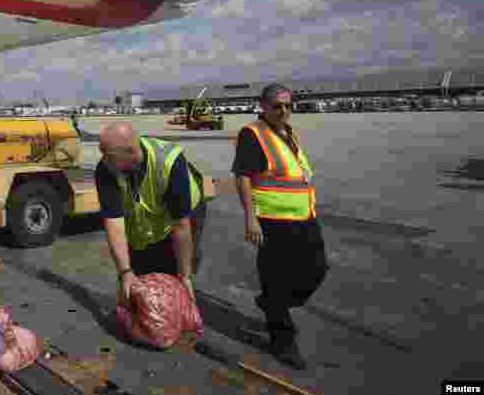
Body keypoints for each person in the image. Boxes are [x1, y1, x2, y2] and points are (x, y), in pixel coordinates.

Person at [232, 83, 328, 370]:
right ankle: (282, 341)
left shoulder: (288, 133)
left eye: (288, 105)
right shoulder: (253, 134)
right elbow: (243, 177)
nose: (284, 110)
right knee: (275, 278)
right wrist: (250, 218)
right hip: (272, 221)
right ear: (263, 106)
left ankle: (272, 302)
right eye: (277, 106)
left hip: (304, 217)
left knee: (317, 269)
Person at [95, 122, 207, 310]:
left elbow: (181, 226)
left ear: (131, 151)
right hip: (145, 218)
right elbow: (113, 222)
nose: (104, 161)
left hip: (183, 216)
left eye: (109, 156)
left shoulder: (170, 162)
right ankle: (146, 327)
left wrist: (184, 276)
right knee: (140, 280)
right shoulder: (106, 169)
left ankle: (178, 322)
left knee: (173, 278)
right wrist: (125, 272)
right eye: (102, 154)